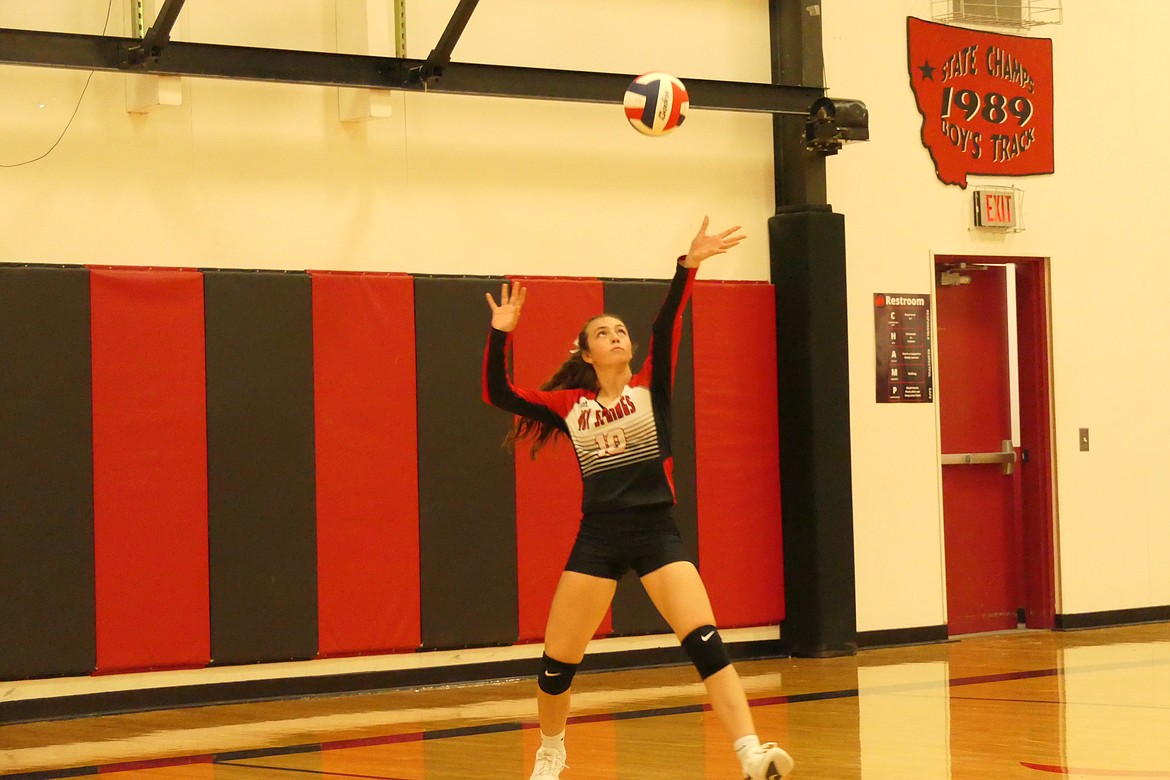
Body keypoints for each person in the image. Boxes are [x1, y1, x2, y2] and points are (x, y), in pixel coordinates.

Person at [482, 217, 795, 780]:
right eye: (604, 332)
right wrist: (502, 332)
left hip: (657, 533)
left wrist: (689, 264)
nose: (618, 336)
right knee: (556, 668)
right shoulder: (569, 405)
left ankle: (750, 751)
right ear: (586, 351)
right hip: (598, 538)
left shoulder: (653, 386)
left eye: (621, 330)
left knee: (706, 643)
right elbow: (497, 391)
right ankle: (552, 750)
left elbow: (667, 319)